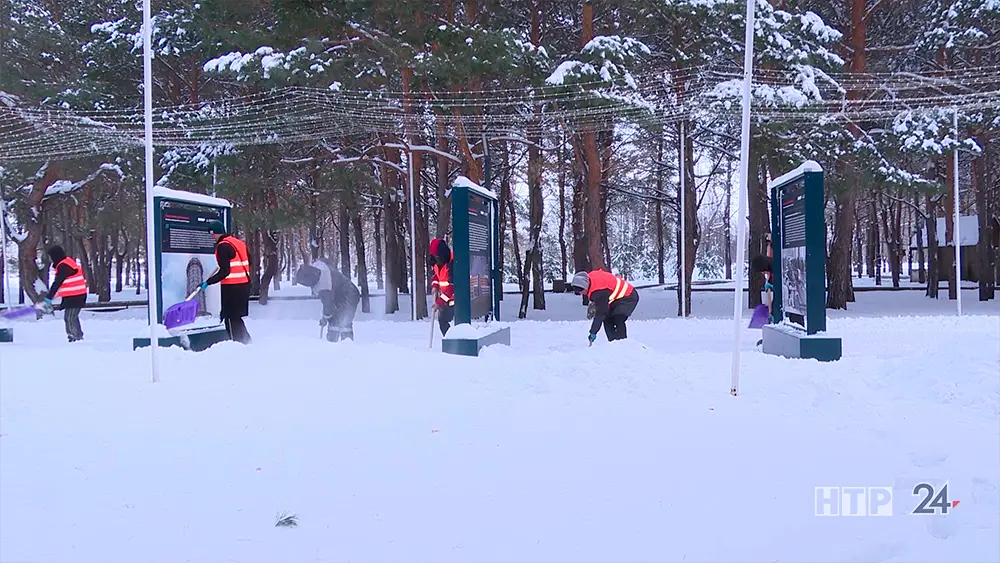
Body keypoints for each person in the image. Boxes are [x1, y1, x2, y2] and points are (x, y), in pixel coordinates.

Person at [200, 221, 252, 344]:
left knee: (229, 319)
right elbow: (248, 260)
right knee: (236, 318)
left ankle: (238, 344)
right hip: (244, 285)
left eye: (211, 234)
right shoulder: (238, 243)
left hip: (231, 288)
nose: (211, 237)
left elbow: (225, 271)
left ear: (215, 233)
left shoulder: (223, 246)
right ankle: (247, 342)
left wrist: (208, 282)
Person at [294, 258, 360, 342]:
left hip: (349, 296)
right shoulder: (319, 266)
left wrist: (324, 319)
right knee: (337, 320)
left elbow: (328, 308)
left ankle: (343, 346)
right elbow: (327, 261)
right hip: (343, 294)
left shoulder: (323, 286)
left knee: (343, 322)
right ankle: (336, 344)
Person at [570, 269, 639, 343]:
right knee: (607, 319)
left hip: (629, 296)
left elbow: (601, 313)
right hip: (616, 298)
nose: (581, 293)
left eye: (581, 291)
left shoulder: (599, 291)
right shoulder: (590, 279)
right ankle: (612, 343)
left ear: (584, 286)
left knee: (618, 318)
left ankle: (622, 344)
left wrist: (593, 332)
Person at [38, 245, 87, 342]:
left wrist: (48, 298)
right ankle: (78, 337)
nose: (50, 259)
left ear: (55, 256)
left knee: (69, 317)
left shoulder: (63, 266)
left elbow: (57, 283)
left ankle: (74, 338)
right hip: (74, 295)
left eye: (51, 257)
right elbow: (64, 284)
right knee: (72, 317)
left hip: (76, 296)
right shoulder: (66, 263)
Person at [429, 238, 455, 336]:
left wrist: (439, 302)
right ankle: (451, 340)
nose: (436, 258)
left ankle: (457, 340)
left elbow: (452, 287)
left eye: (437, 256)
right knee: (443, 322)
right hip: (445, 299)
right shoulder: (436, 263)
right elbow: (436, 275)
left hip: (456, 299)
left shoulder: (452, 262)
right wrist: (435, 286)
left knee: (461, 324)